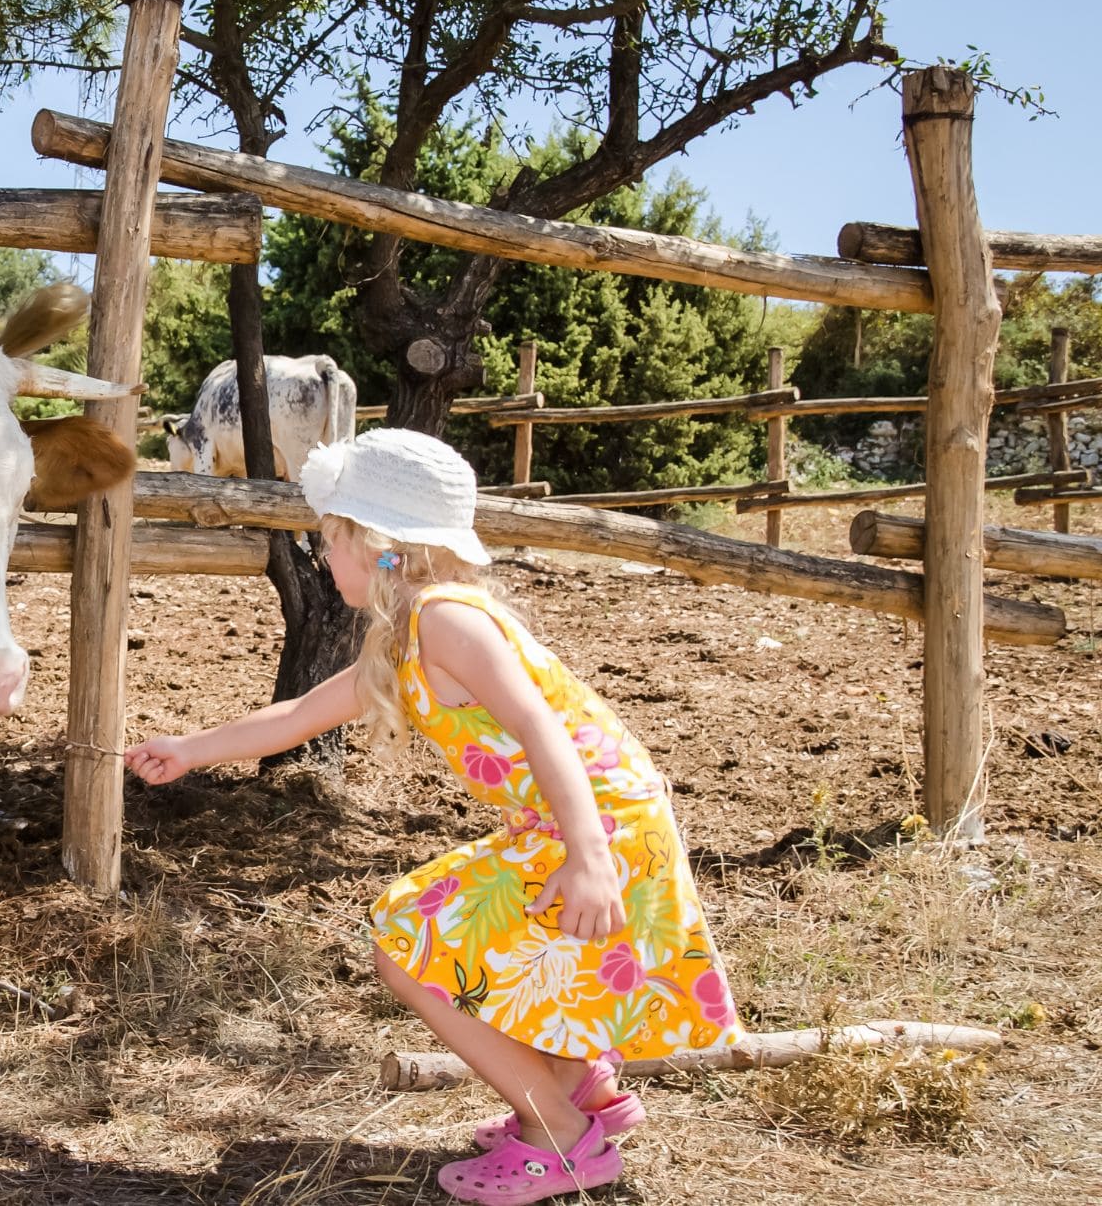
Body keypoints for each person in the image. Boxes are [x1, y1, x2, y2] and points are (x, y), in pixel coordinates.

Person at [126, 428, 741, 1206]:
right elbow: (301, 714)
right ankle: (582, 1092)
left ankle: (558, 1135)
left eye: (330, 540)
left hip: (598, 825)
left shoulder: (448, 618)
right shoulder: (407, 634)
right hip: (570, 823)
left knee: (408, 942)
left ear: (376, 542)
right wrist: (187, 749)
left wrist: (587, 855)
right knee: (475, 946)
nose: (324, 558)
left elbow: (540, 729)